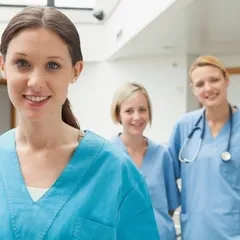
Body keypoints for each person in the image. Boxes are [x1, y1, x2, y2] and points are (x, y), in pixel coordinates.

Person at [0, 6, 160, 239]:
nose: (36, 81)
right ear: (3, 66)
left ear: (75, 71)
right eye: (22, 63)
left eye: (53, 65)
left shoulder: (115, 170)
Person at [168, 55, 240, 239]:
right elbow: (165, 177)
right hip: (196, 232)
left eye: (214, 80)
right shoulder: (185, 126)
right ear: (193, 89)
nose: (208, 88)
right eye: (200, 84)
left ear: (226, 79)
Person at [110, 82, 180, 240]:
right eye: (129, 111)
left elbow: (170, 205)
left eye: (142, 109)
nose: (137, 117)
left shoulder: (162, 155)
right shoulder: (108, 156)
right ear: (117, 114)